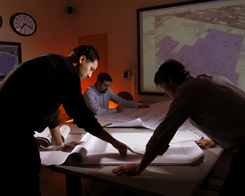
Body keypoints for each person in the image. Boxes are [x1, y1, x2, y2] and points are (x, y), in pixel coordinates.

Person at [1, 45, 133, 196]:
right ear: (82, 59)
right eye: (91, 69)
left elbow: (52, 110)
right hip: (11, 128)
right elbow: (81, 115)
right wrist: (114, 142)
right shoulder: (67, 71)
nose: (90, 75)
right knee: (27, 173)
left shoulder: (53, 63)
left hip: (9, 124)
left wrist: (59, 144)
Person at [111, 59, 245, 196]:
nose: (164, 93)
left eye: (163, 87)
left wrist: (140, 166)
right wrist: (216, 140)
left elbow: (165, 130)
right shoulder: (211, 79)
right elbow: (225, 113)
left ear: (170, 80)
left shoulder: (188, 90)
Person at [83, 73, 149, 115]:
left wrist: (137, 105)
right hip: (90, 121)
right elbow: (96, 111)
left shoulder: (107, 89)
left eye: (108, 86)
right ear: (98, 83)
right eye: (105, 85)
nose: (107, 88)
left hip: (104, 119)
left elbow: (120, 100)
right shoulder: (89, 92)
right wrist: (116, 110)